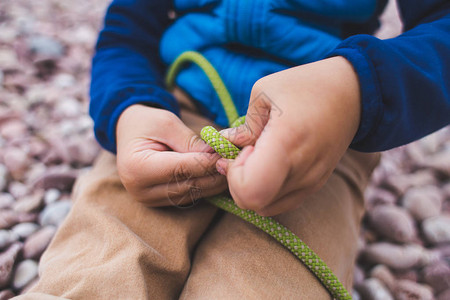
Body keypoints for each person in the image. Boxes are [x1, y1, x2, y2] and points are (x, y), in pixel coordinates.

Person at [17, 0, 450, 299]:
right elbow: (127, 30)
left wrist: (355, 91)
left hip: (327, 133)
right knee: (102, 261)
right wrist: (131, 107)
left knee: (268, 283)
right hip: (173, 112)